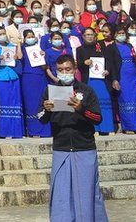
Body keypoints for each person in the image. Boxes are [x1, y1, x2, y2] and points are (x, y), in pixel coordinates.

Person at [38, 54, 108, 222]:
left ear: (75, 69)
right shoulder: (50, 90)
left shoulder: (86, 90)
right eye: (60, 70)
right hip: (61, 147)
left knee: (87, 191)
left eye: (68, 69)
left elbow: (98, 118)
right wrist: (46, 109)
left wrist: (81, 109)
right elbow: (41, 118)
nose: (64, 72)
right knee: (61, 192)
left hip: (84, 146)